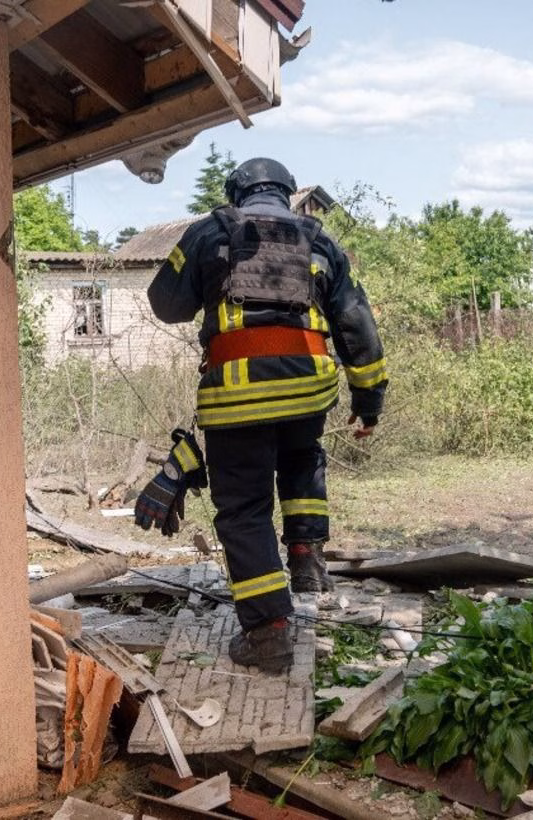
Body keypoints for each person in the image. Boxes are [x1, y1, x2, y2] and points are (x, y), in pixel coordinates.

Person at [144, 157, 388, 672]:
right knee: (302, 457)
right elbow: (357, 327)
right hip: (307, 389)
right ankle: (305, 557)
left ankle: (269, 633)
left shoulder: (209, 232)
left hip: (238, 396)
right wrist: (368, 402)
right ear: (287, 194)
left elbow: (165, 304)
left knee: (244, 510)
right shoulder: (320, 241)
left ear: (236, 194)